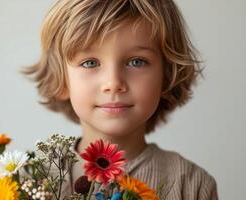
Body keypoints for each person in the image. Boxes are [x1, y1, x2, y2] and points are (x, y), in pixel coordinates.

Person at [23, 0, 218, 199]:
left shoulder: (192, 185)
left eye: (136, 61)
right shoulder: (26, 181)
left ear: (167, 76)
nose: (113, 83)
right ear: (62, 80)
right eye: (90, 62)